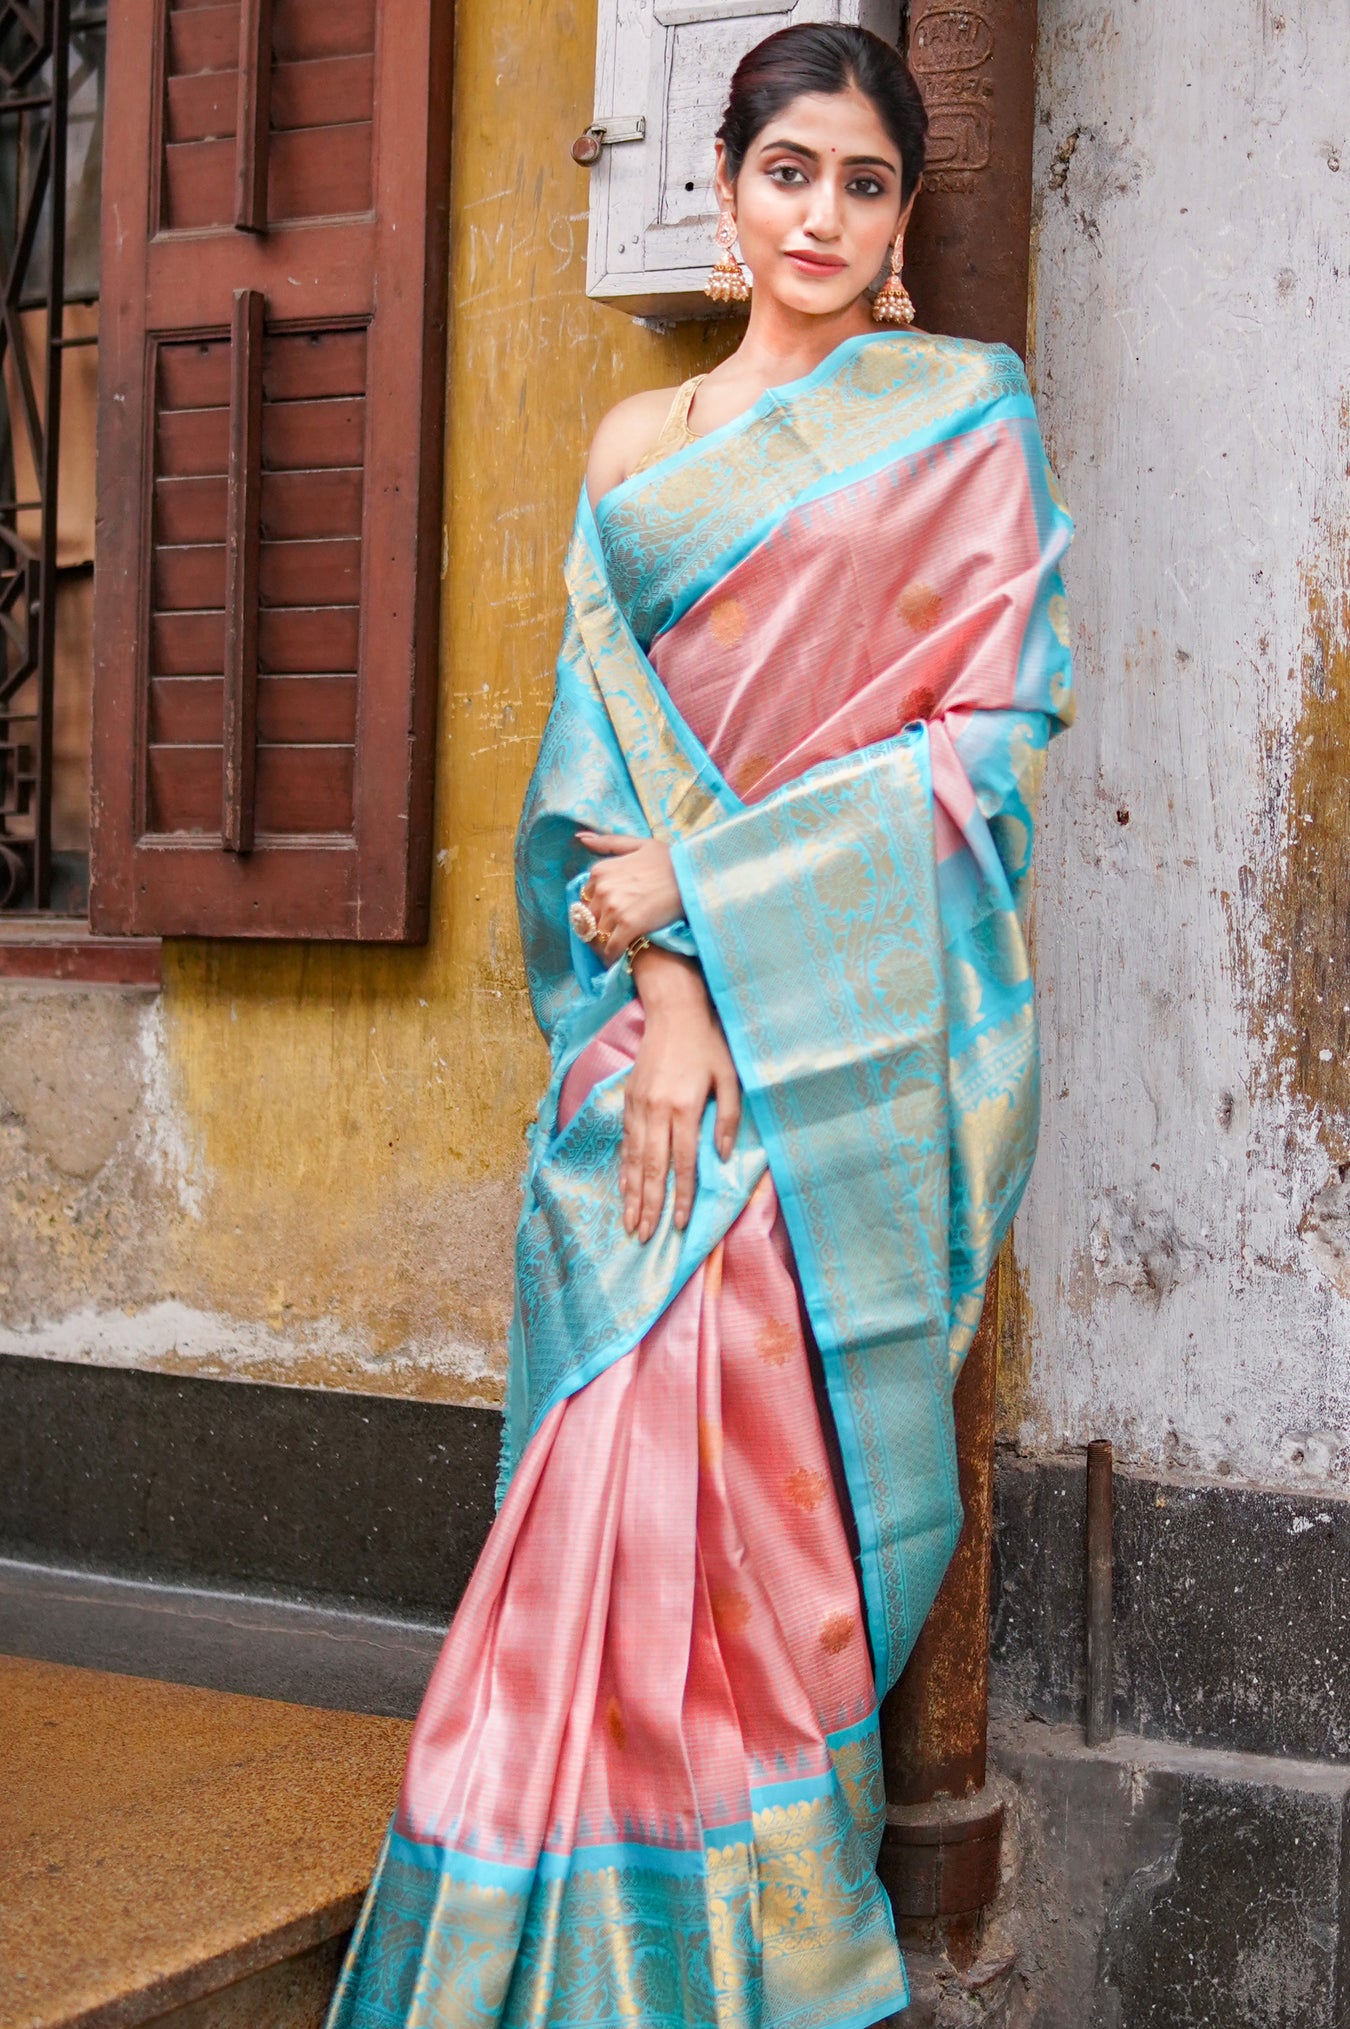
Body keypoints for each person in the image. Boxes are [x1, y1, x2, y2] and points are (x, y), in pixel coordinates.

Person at [327, 23, 1073, 2029]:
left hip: (845, 1063)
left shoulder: (960, 418)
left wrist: (715, 899)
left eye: (864, 183)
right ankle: (556, 1946)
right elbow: (599, 785)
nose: (821, 215)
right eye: (787, 171)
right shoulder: (636, 453)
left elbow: (986, 749)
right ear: (725, 189)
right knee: (601, 1497)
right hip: (649, 1060)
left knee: (764, 1539)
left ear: (902, 219)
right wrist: (668, 988)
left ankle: (760, 1957)